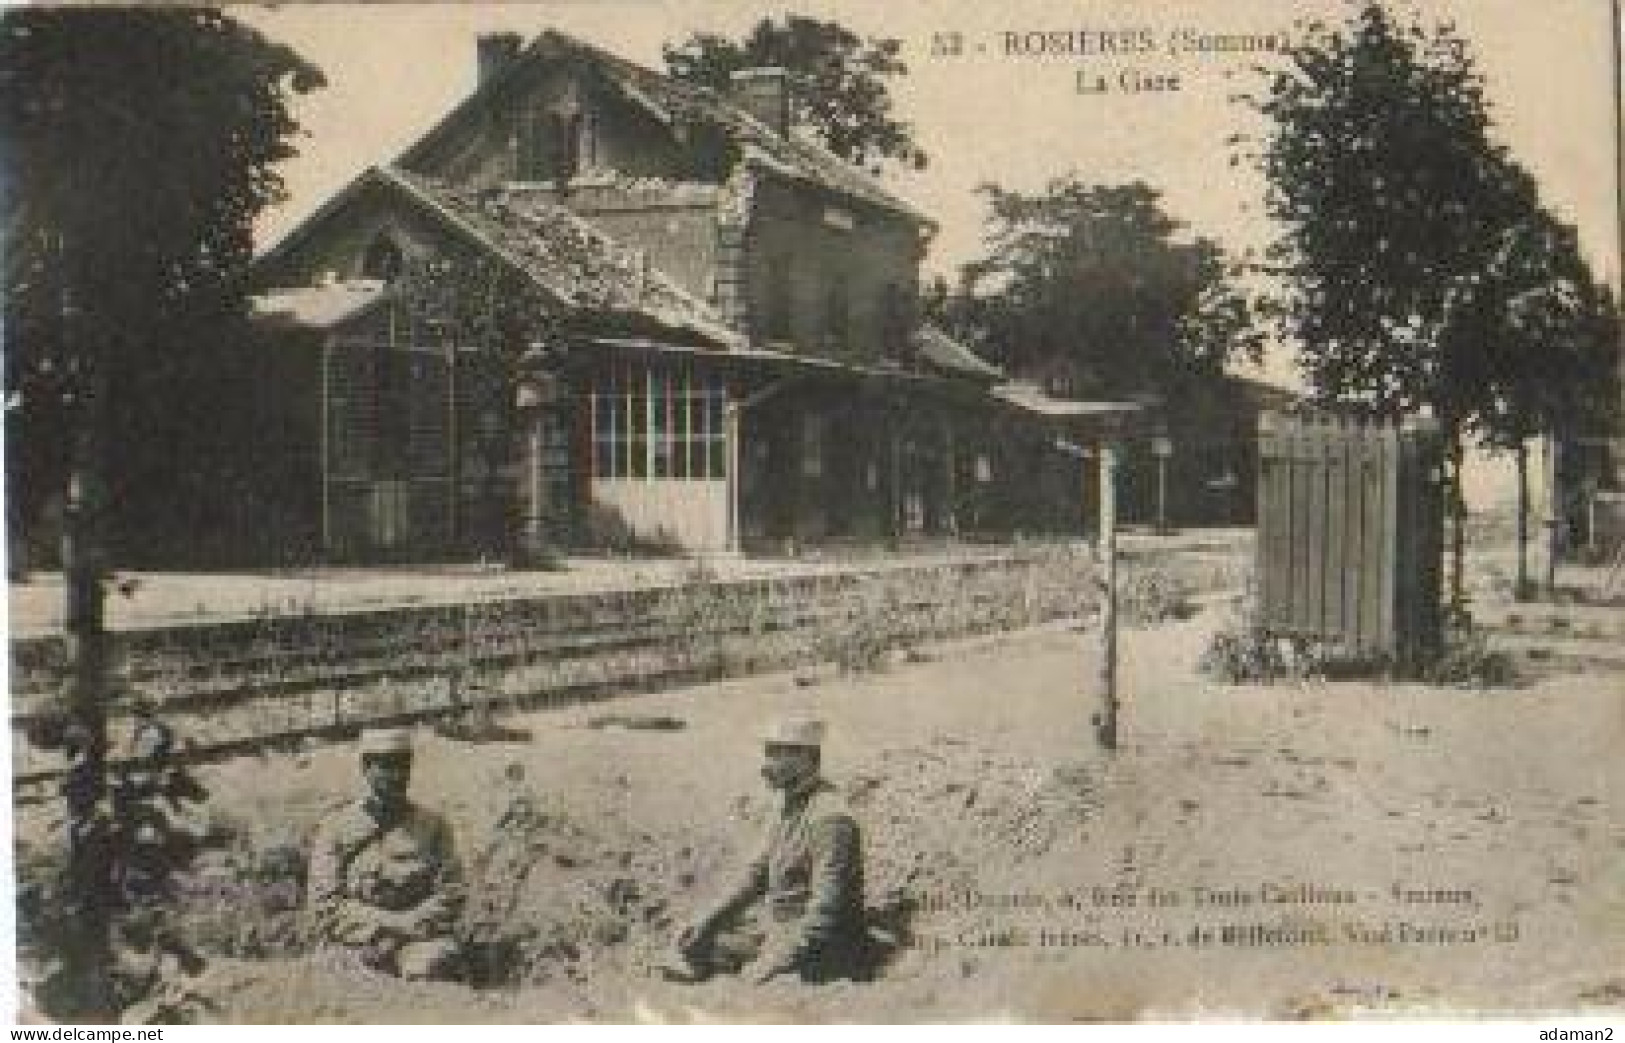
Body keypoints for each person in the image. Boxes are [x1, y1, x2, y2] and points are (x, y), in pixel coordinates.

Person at [668, 718, 866, 984]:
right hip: (780, 932)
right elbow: (754, 877)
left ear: (805, 757)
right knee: (691, 940)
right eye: (768, 753)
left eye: (775, 754)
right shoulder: (784, 804)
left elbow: (826, 911)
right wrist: (707, 920)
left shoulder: (831, 818)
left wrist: (776, 960)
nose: (765, 766)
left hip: (822, 947)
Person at [307, 728, 465, 981]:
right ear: (366, 768)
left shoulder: (434, 826)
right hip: (355, 943)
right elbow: (324, 905)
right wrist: (385, 925)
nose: (396, 775)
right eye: (386, 765)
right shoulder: (335, 827)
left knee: (430, 967)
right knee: (339, 975)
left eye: (403, 765)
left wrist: (409, 924)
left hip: (418, 941)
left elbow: (451, 894)